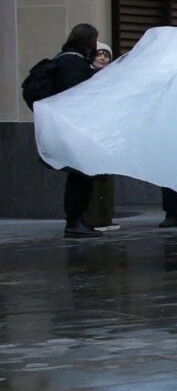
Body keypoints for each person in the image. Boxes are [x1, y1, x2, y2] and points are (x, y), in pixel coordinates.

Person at [39, 24, 102, 238]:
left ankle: (77, 219)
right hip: (75, 128)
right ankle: (74, 221)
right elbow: (77, 94)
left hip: (69, 127)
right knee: (81, 176)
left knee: (81, 176)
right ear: (88, 41)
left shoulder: (64, 59)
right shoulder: (73, 62)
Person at [82, 44, 120, 231]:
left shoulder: (112, 78)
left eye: (106, 55)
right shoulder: (85, 76)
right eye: (99, 54)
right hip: (91, 132)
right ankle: (92, 218)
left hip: (107, 132)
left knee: (106, 177)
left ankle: (105, 216)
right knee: (92, 177)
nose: (103, 58)